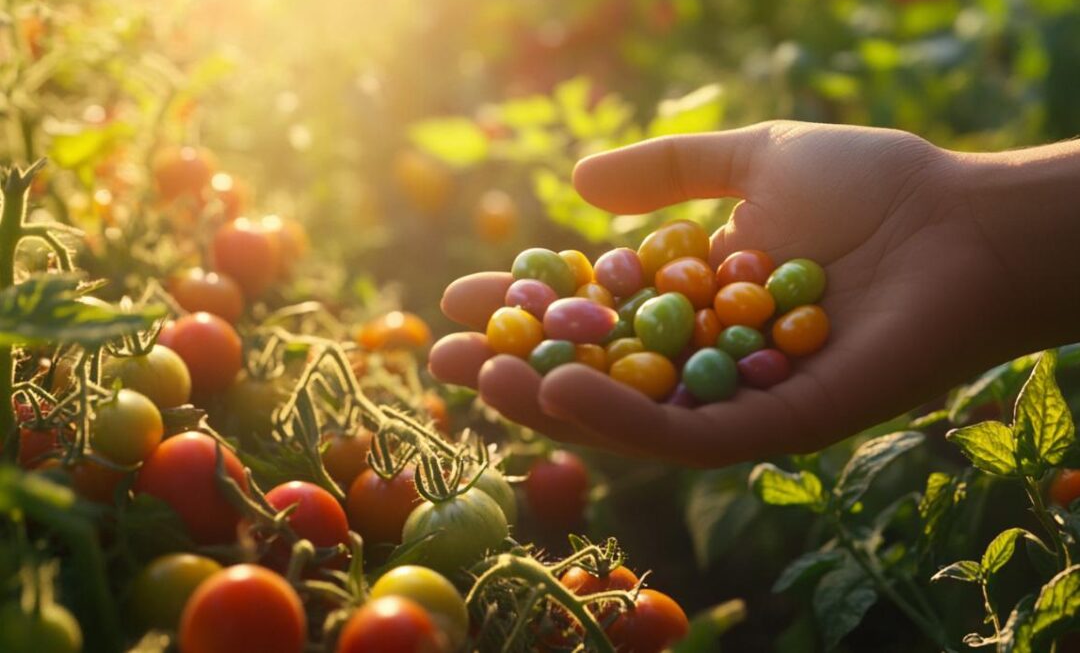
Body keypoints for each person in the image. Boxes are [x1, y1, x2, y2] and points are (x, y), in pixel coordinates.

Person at [428, 120, 1080, 468]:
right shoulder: (666, 313)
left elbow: (670, 316)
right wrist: (961, 220)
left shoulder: (717, 310)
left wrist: (948, 215)